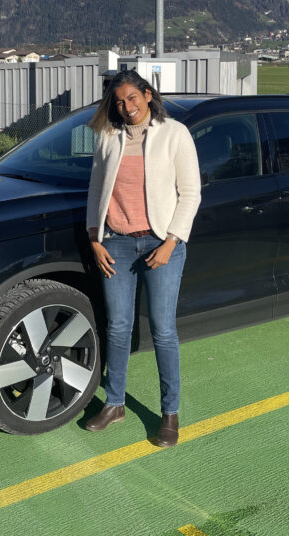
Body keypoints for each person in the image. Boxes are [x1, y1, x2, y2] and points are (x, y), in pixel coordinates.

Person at [84, 70, 201, 447]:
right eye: (119, 101)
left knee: (163, 331)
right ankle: (114, 403)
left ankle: (169, 414)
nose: (127, 106)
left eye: (133, 97)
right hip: (115, 244)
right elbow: (94, 190)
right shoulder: (108, 136)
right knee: (118, 328)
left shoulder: (174, 134)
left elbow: (191, 194)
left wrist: (170, 242)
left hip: (160, 244)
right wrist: (94, 238)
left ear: (148, 95)